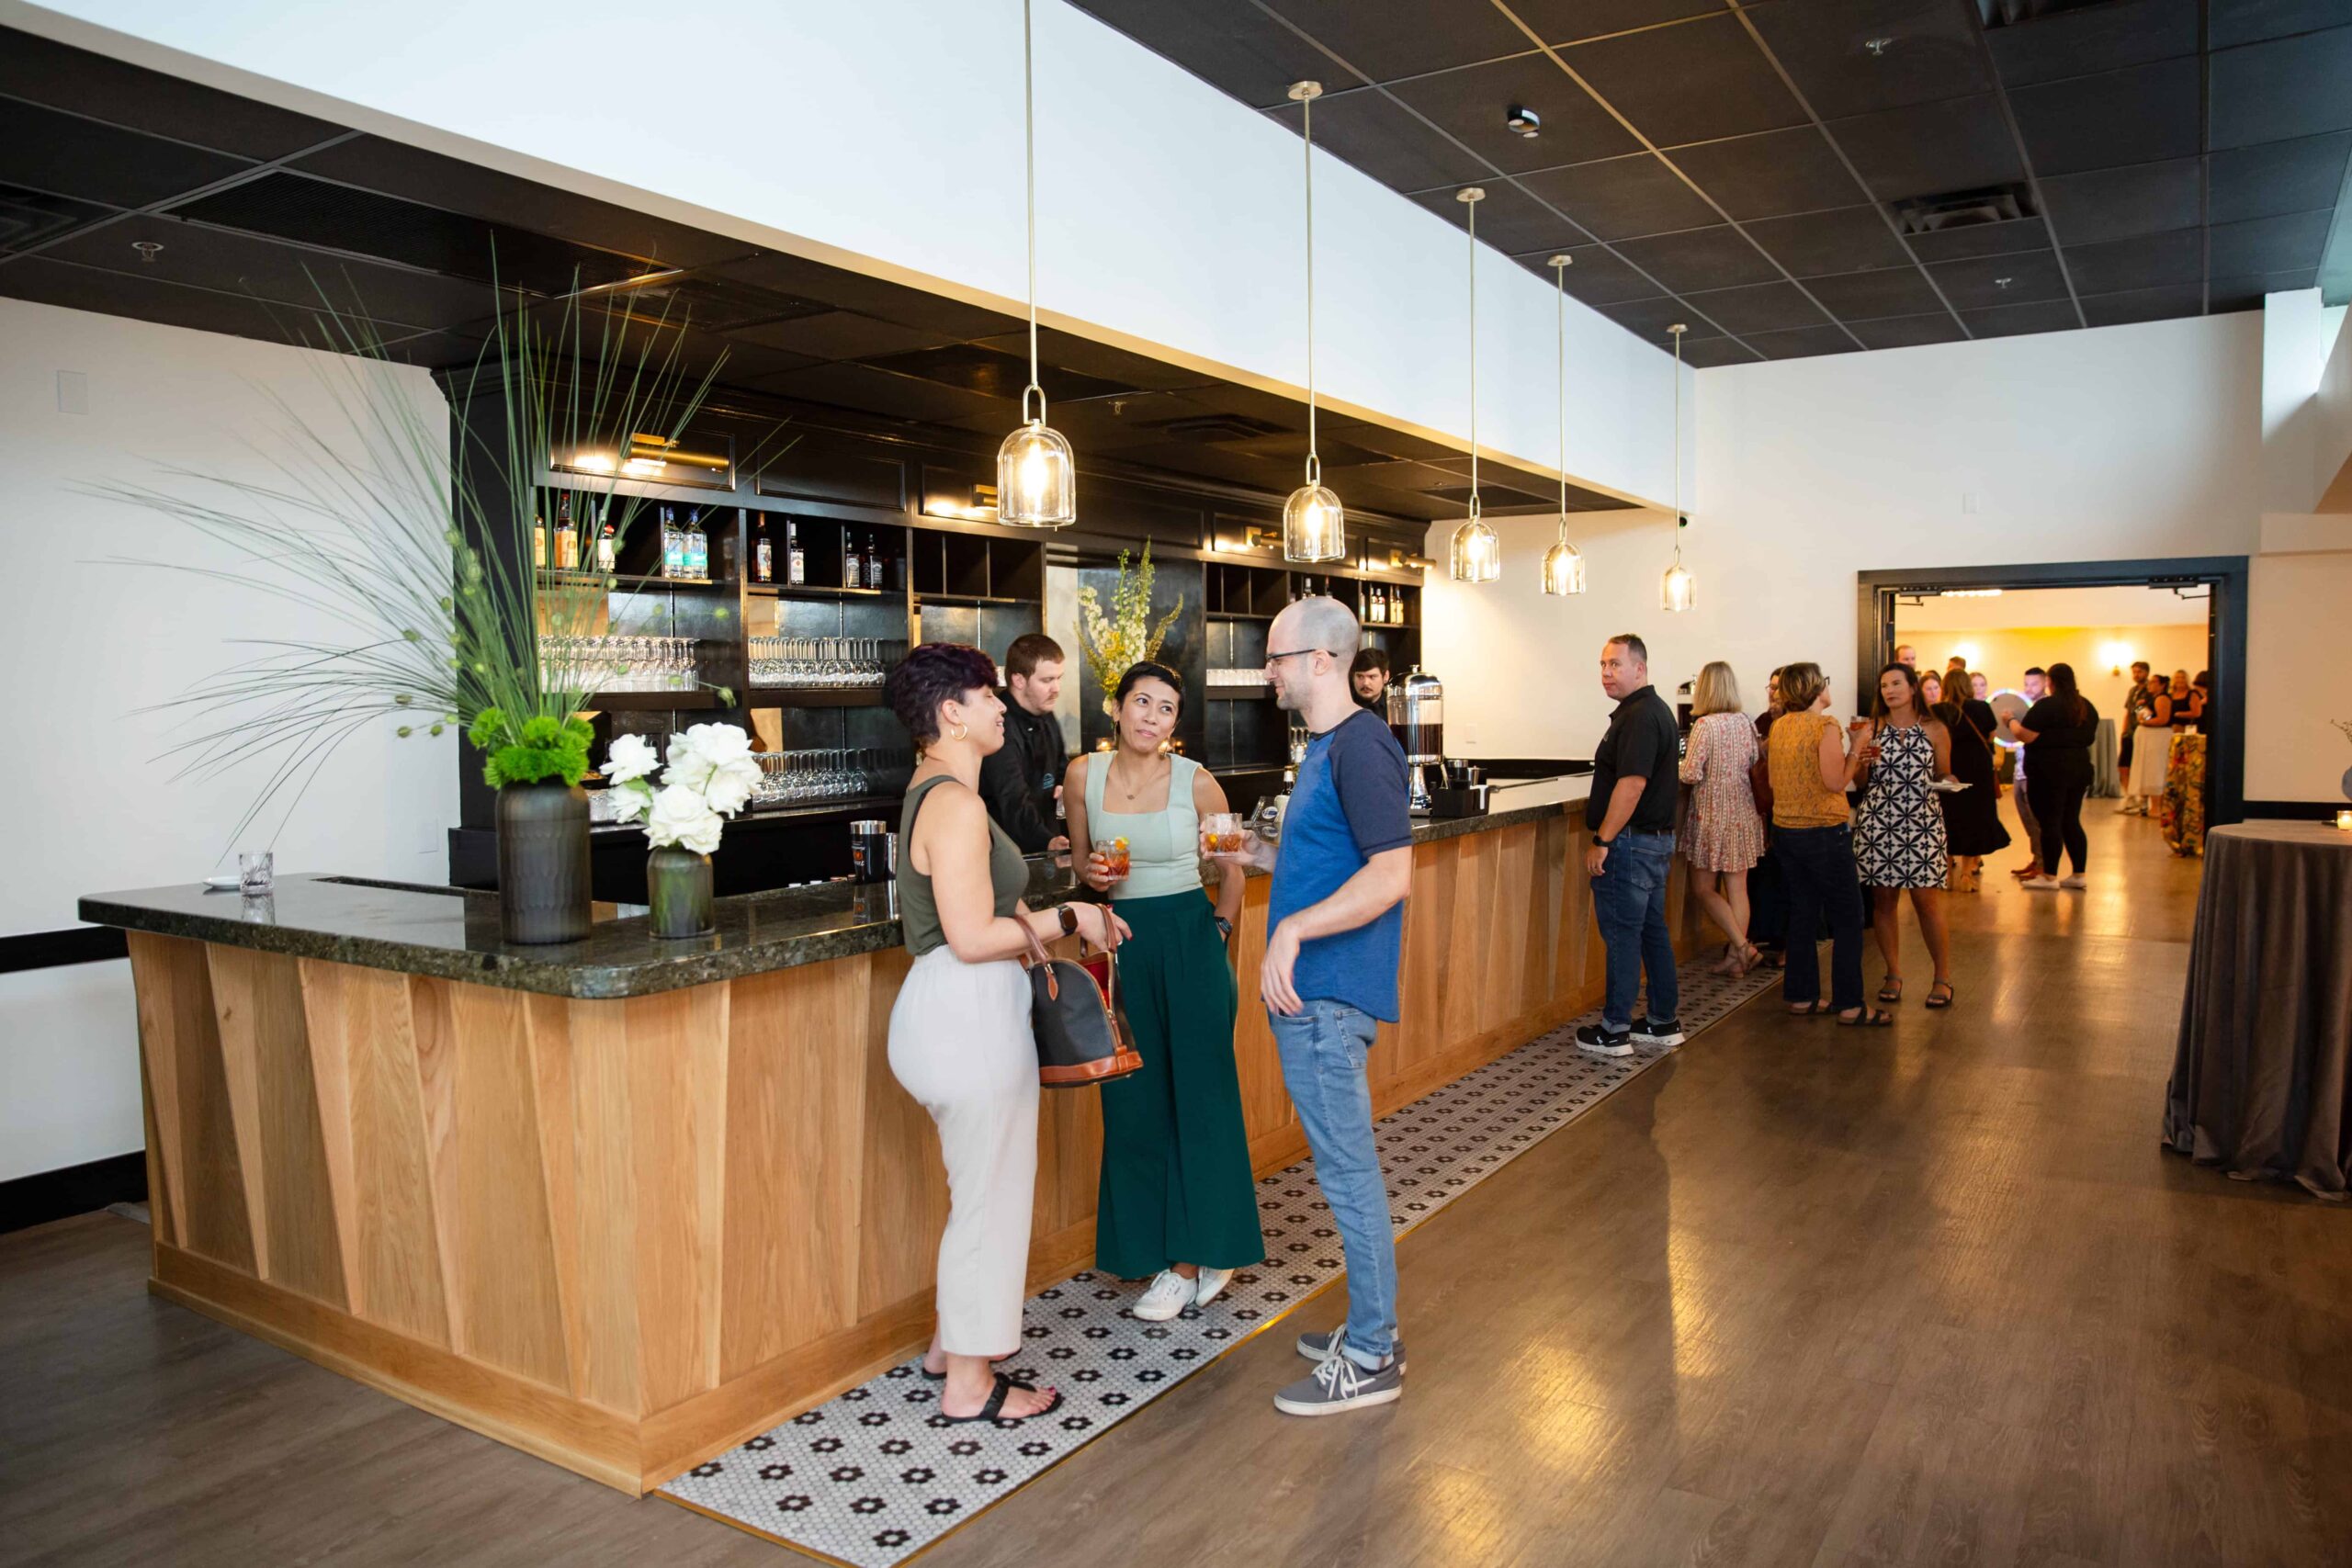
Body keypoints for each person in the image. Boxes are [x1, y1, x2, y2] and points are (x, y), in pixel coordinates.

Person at [884, 642, 1130, 1425]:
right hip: (964, 1012)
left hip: (957, 1011)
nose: (1001, 707)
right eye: (987, 694)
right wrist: (1069, 916)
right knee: (988, 1200)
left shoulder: (943, 789)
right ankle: (970, 1382)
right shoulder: (952, 801)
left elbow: (989, 911)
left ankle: (947, 1346)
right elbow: (967, 934)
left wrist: (1050, 921)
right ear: (950, 711)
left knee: (977, 1191)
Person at [1208, 595, 1412, 1416]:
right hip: (1312, 994)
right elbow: (1328, 859)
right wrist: (1254, 853)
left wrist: (1290, 930)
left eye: (1278, 658)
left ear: (1321, 662)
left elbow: (1390, 875)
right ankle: (1369, 1329)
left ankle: (1371, 1353)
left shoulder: (1362, 745)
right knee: (1342, 1167)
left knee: (1348, 1172)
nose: (1270, 671)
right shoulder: (1327, 746)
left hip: (1327, 995)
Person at [1064, 661, 1261, 1323]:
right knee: (1134, 1103)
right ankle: (1154, 1253)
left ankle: (1191, 1259)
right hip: (1122, 945)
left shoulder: (1199, 782)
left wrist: (1219, 935)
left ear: (1176, 723)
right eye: (1141, 702)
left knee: (1200, 1102)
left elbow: (1232, 873)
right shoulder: (1081, 776)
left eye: (1167, 708)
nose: (1152, 716)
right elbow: (1087, 873)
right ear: (1115, 708)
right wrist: (1089, 871)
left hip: (1190, 939)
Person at [1575, 634, 1683, 1058]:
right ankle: (1662, 1021)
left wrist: (1603, 840)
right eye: (1602, 664)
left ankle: (1615, 1029)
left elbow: (1632, 784)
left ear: (1640, 668)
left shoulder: (1639, 716)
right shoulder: (1652, 711)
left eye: (1615, 664)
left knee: (1622, 935)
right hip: (1652, 843)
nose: (1606, 672)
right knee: (1652, 932)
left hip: (1631, 843)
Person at [1766, 663, 1881, 1026]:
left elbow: (1775, 778)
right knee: (1848, 916)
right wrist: (1857, 745)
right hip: (1824, 832)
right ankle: (1849, 1004)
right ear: (1817, 689)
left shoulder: (1779, 726)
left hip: (1786, 831)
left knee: (1803, 913)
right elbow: (1835, 783)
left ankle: (1801, 996)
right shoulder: (1824, 726)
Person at [1854, 664, 1955, 1009]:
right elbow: (1861, 783)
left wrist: (1951, 781)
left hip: (1923, 822)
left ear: (1913, 688)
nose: (1889, 690)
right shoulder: (1871, 729)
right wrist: (1862, 761)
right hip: (1879, 822)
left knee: (1926, 903)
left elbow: (1944, 772)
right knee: (1884, 902)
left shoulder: (1935, 728)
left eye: (1896, 683)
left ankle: (1942, 977)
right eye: (1884, 685)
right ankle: (1893, 973)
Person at [1677, 661, 1764, 974]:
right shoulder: (1745, 722)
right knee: (1738, 888)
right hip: (1742, 809)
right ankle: (1736, 959)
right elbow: (1755, 760)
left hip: (1711, 813)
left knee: (1703, 888)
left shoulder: (1705, 725)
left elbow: (1689, 773)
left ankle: (1741, 948)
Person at [976, 632, 1071, 854]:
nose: (1056, 688)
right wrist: (1045, 840)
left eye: (1059, 678)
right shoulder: (999, 725)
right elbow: (1012, 799)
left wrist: (1064, 785)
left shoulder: (1045, 713)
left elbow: (1061, 766)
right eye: (1047, 680)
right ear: (1019, 680)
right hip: (1007, 851)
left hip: (1047, 840)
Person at [2007, 661, 2098, 890]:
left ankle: (2048, 876)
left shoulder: (2047, 706)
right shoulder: (2085, 706)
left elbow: (2025, 735)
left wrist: (2009, 721)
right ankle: (2079, 874)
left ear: (2051, 682)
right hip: (2078, 769)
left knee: (2050, 823)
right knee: (2071, 821)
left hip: (2048, 773)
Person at [1933, 695, 2009, 894]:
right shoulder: (1980, 707)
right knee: (1974, 819)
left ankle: (1947, 874)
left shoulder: (1939, 709)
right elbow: (1991, 735)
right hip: (1977, 767)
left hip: (1949, 764)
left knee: (1947, 817)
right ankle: (1966, 874)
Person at [2007, 666, 2049, 879]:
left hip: (2035, 771)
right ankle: (2036, 859)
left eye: (2034, 684)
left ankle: (2043, 864)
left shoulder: (2044, 707)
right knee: (2027, 819)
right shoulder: (2023, 707)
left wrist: (2011, 723)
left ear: (2045, 683)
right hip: (2019, 769)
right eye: (2026, 684)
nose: (2029, 688)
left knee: (2037, 818)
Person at [2121, 672, 2174, 815]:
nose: (2150, 685)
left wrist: (2144, 722)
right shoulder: (2151, 698)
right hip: (2147, 736)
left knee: (2154, 769)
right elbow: (2149, 715)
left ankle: (2156, 807)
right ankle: (2144, 804)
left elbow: (2162, 719)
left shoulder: (2162, 698)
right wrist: (2141, 708)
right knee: (2145, 768)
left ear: (2162, 685)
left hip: (2157, 737)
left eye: (2154, 682)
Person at [2116, 660, 2151, 778]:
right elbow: (2128, 711)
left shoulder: (2150, 690)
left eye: (2139, 672)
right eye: (2134, 672)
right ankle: (2129, 793)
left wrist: (2140, 707)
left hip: (2143, 729)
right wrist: (2124, 731)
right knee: (2123, 764)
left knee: (2142, 763)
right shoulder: (2132, 690)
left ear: (2146, 673)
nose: (2136, 675)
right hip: (2129, 732)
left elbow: (2147, 712)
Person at [1350, 647, 1391, 712]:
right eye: (1360, 676)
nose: (1365, 683)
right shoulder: (1344, 706)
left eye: (1372, 677)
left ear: (1385, 676)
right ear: (1353, 677)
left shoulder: (1395, 707)